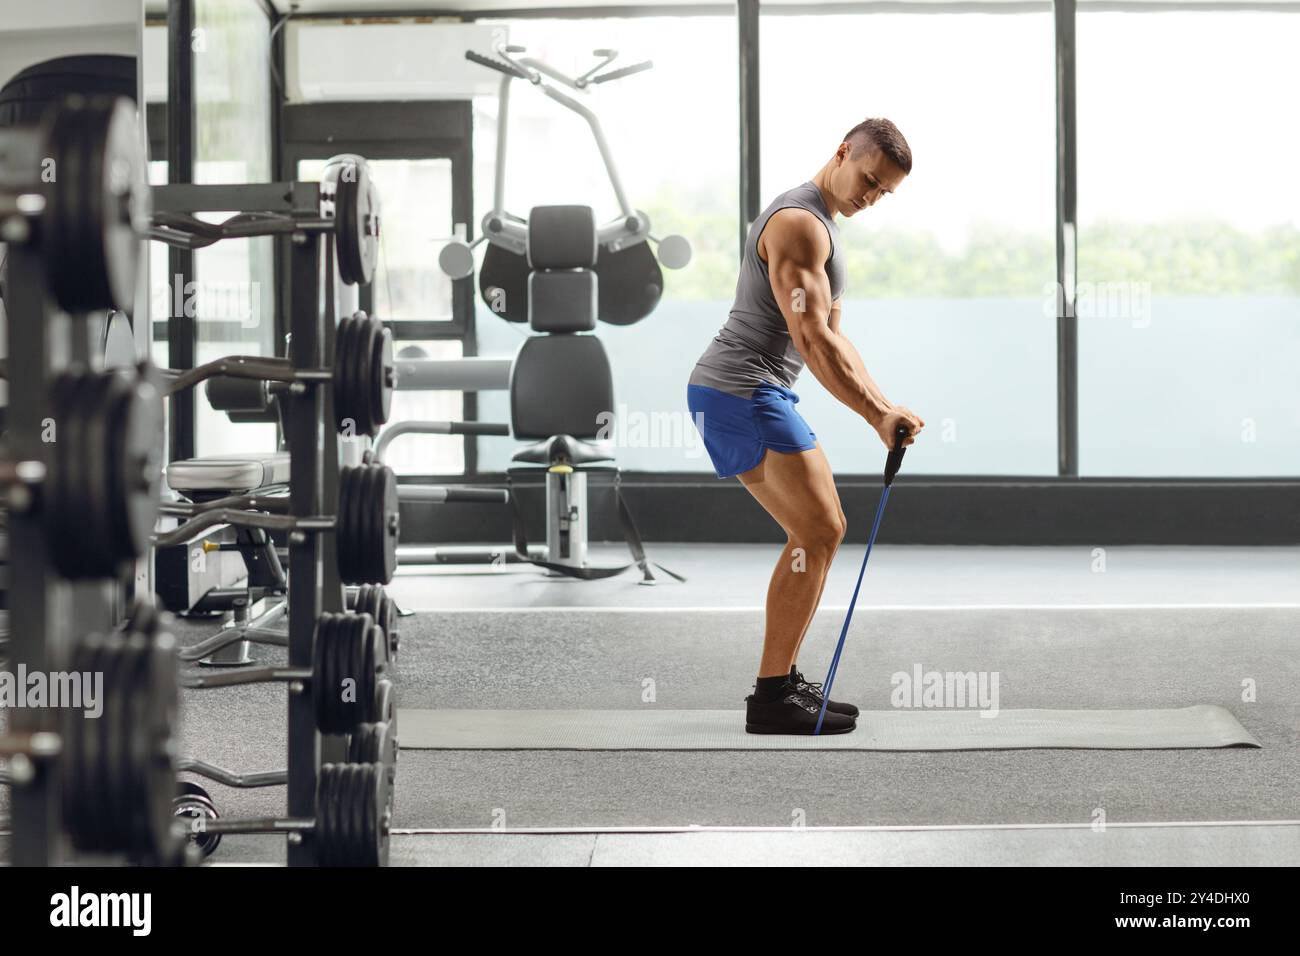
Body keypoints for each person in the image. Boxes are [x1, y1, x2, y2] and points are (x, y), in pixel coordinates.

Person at [687, 118, 925, 735]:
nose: (870, 196)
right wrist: (876, 415)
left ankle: (782, 683)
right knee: (819, 529)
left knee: (818, 531)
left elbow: (835, 340)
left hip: (746, 389)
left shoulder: (826, 231)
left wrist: (883, 404)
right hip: (740, 388)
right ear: (842, 152)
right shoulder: (798, 223)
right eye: (869, 179)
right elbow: (811, 337)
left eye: (883, 193)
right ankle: (771, 696)